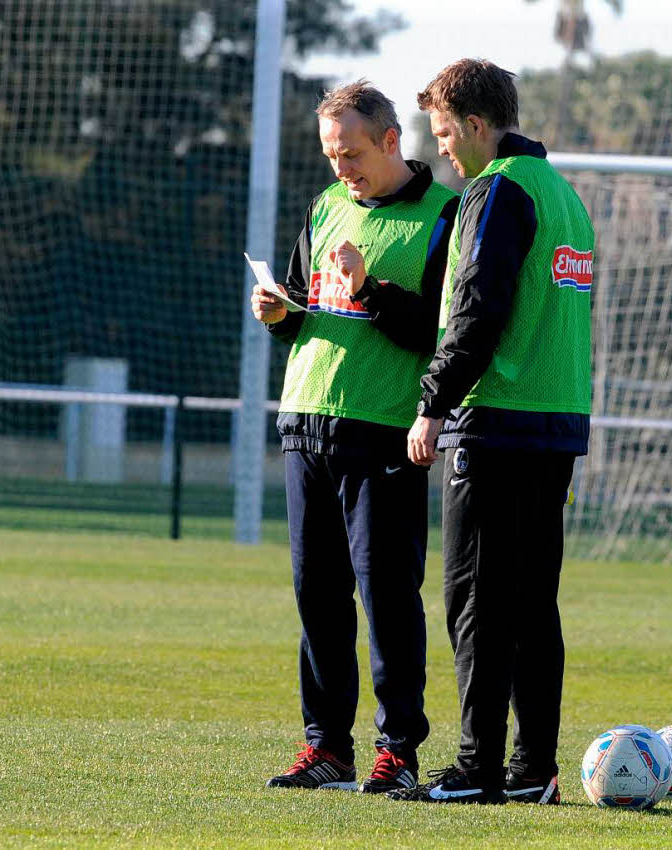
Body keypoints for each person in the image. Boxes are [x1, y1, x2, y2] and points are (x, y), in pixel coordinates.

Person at [393, 59, 594, 805]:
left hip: (497, 422)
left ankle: (478, 769)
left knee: (476, 599)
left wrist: (433, 401)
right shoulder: (565, 196)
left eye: (445, 133)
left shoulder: (498, 191)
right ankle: (533, 769)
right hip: (555, 424)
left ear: (478, 125)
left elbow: (478, 307)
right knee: (532, 603)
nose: (443, 148)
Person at [251, 81, 458, 795]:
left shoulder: (445, 216)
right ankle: (327, 747)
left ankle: (397, 752)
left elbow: (441, 333)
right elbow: (303, 312)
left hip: (384, 434)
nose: (342, 167)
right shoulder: (325, 206)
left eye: (352, 153)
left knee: (388, 599)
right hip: (305, 422)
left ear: (393, 141)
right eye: (331, 154)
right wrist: (278, 315)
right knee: (317, 597)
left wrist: (370, 289)